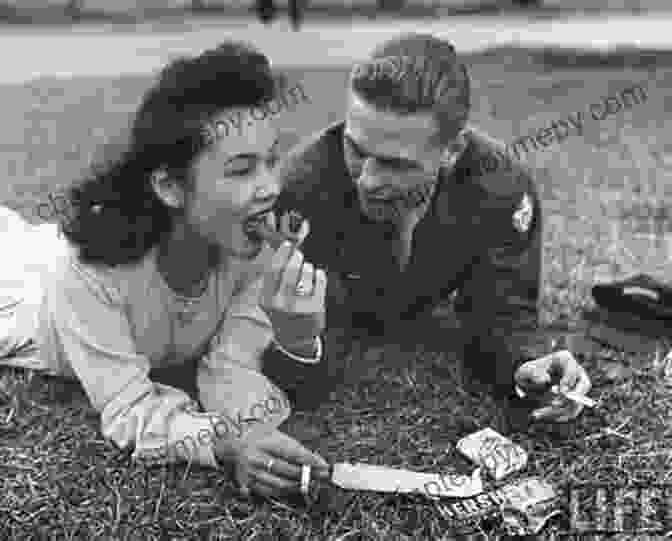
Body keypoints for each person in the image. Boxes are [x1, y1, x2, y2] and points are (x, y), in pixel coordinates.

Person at [0, 41, 330, 499]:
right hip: (22, 301)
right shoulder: (91, 273)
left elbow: (230, 366)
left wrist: (290, 346)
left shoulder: (251, 250)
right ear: (170, 186)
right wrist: (222, 442)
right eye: (241, 171)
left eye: (272, 160)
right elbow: (128, 409)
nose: (270, 188)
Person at [275, 33, 591, 423]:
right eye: (356, 150)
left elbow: (502, 316)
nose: (368, 181)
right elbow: (282, 344)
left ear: (453, 150)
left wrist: (527, 368)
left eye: (395, 163)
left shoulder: (500, 189)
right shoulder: (297, 190)